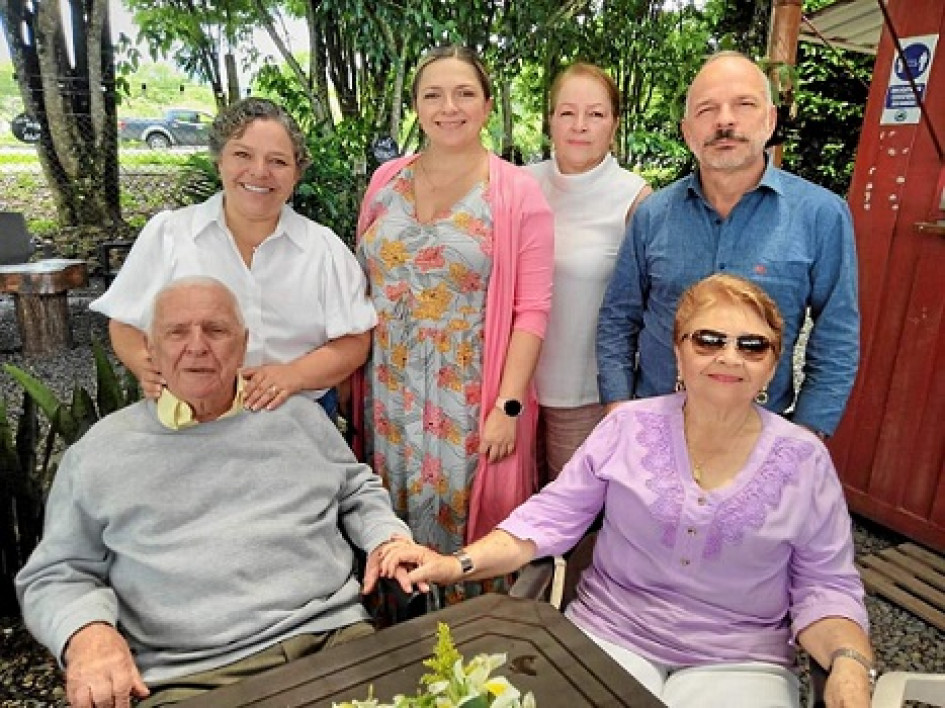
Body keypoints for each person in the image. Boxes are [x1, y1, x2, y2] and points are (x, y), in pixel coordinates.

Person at [379, 274, 873, 708]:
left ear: (772, 364)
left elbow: (826, 584)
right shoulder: (628, 428)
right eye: (708, 340)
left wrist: (850, 662)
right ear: (678, 351)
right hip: (610, 634)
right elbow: (549, 518)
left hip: (740, 660)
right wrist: (455, 564)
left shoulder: (804, 460)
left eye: (752, 345)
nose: (730, 357)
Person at [16, 277, 413, 708]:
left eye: (216, 330)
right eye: (177, 332)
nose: (197, 346)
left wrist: (386, 537)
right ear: (149, 348)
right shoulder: (98, 453)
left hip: (332, 640)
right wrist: (87, 633)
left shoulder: (296, 417)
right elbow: (55, 574)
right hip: (191, 677)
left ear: (243, 345)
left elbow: (356, 490)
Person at [354, 45, 554, 598]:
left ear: (487, 106)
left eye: (464, 93)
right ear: (416, 107)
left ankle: (471, 649)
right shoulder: (385, 182)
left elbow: (531, 311)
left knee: (464, 526)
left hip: (469, 397)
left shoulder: (515, 192)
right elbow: (361, 281)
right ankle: (400, 644)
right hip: (389, 392)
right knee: (390, 515)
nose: (449, 107)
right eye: (433, 95)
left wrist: (507, 407)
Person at [596, 50, 859, 438]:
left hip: (759, 435)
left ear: (770, 120)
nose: (724, 120)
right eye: (707, 109)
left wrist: (806, 435)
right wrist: (619, 411)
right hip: (652, 429)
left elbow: (837, 336)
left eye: (744, 104)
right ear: (687, 132)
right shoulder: (653, 215)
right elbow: (619, 318)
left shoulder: (822, 216)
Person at [91, 97, 375, 418]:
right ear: (219, 162)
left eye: (278, 161)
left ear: (297, 174)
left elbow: (354, 341)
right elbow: (125, 322)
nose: (259, 172)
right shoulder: (170, 234)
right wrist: (150, 369)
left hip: (296, 415)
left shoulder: (323, 248)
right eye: (242, 155)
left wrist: (293, 375)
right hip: (193, 413)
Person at [525, 62, 651, 483]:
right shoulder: (520, 185)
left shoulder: (635, 198)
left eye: (595, 114)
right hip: (510, 388)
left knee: (576, 519)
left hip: (584, 393)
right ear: (550, 120)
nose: (580, 126)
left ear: (614, 124)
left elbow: (644, 307)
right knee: (509, 513)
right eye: (567, 112)